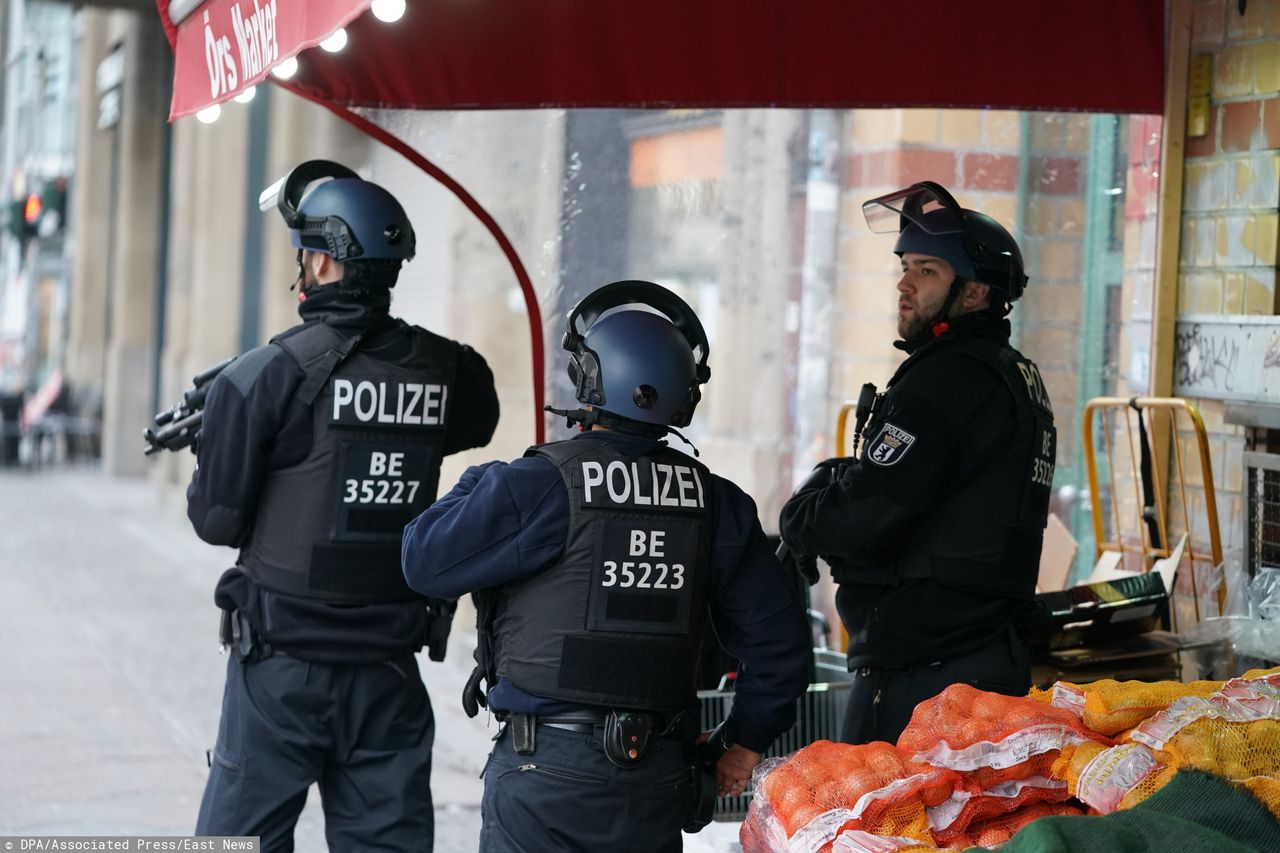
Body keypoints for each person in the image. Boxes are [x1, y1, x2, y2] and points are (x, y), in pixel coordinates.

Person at [402, 280, 810, 853]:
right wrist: (742, 744)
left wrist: (482, 481)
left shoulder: (539, 484)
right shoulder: (717, 503)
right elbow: (781, 648)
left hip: (546, 776)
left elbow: (423, 560)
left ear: (591, 382)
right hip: (660, 778)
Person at [186, 160, 499, 851]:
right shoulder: (453, 372)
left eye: (305, 251)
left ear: (323, 263)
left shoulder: (262, 376)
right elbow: (474, 421)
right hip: (388, 672)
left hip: (279, 674)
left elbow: (215, 521)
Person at [779, 181, 1057, 746]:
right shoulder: (1013, 376)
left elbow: (864, 515)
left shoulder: (946, 381)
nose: (904, 284)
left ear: (975, 292)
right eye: (906, 266)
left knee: (881, 830)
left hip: (923, 682)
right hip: (983, 660)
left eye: (927, 270)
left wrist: (800, 519)